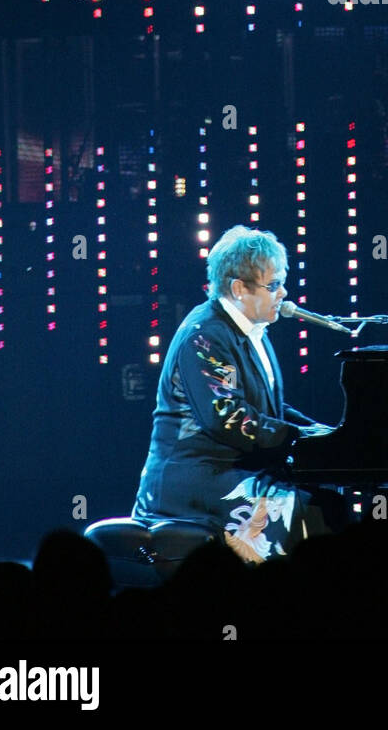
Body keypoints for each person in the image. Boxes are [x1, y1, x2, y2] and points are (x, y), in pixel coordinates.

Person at [132, 224, 333, 562]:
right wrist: (299, 438)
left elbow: (270, 407)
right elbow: (229, 418)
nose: (284, 294)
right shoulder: (205, 336)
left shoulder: (254, 329)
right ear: (239, 288)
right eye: (274, 285)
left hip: (234, 467)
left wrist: (322, 433)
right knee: (300, 508)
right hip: (196, 476)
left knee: (328, 497)